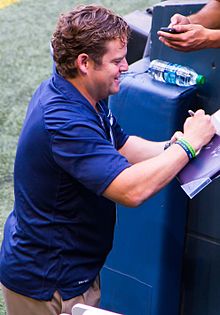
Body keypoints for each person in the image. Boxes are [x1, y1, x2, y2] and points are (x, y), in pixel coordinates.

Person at [0, 4, 216, 315]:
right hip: (48, 284)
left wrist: (174, 144)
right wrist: (189, 146)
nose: (127, 67)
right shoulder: (65, 120)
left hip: (76, 271)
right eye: (117, 61)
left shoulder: (83, 91)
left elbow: (124, 146)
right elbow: (131, 191)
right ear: (84, 62)